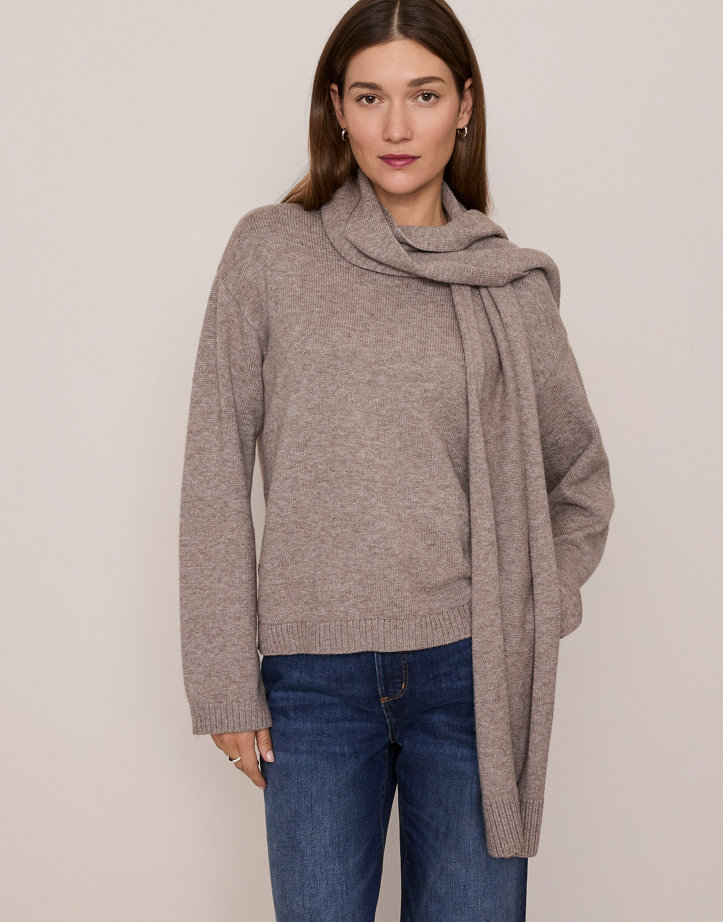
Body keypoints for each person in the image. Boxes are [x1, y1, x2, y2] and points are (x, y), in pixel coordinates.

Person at [178, 1, 615, 919]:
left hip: (471, 676)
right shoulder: (271, 251)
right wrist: (223, 682)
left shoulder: (507, 285)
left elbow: (579, 480)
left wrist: (537, 604)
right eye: (371, 97)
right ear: (337, 108)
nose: (397, 126)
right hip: (312, 681)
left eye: (424, 94)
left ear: (465, 104)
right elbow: (214, 464)